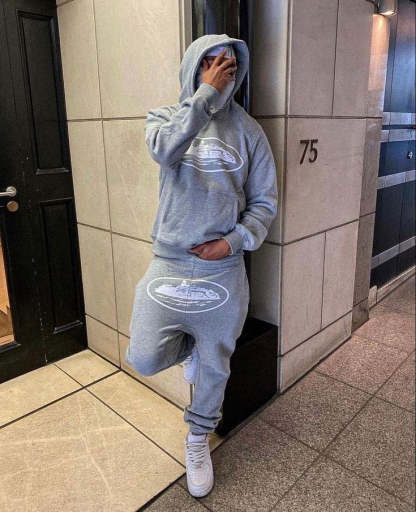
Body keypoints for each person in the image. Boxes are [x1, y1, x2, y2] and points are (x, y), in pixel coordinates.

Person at [126, 33, 278, 498]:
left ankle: (197, 438)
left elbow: (264, 203)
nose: (219, 71)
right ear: (194, 66)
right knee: (143, 356)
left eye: (227, 64)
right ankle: (190, 347)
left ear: (238, 70)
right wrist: (204, 97)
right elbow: (165, 151)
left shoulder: (249, 132)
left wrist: (231, 243)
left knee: (216, 366)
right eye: (209, 62)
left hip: (222, 270)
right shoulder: (165, 117)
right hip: (169, 263)